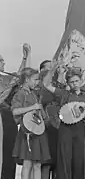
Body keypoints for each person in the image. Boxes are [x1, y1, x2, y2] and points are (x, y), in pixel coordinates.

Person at [43, 65, 85, 179]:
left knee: (79, 159)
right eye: (71, 82)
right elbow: (46, 85)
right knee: (64, 158)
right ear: (68, 83)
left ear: (81, 80)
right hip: (65, 129)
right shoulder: (63, 94)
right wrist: (52, 69)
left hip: (79, 130)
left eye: (76, 81)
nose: (75, 84)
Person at [11, 67, 51, 179]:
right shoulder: (20, 94)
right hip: (27, 133)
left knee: (37, 164)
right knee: (27, 164)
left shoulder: (34, 94)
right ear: (27, 79)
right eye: (35, 79)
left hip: (38, 132)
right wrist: (32, 107)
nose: (37, 82)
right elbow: (15, 111)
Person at [0, 43, 31, 179]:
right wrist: (10, 85)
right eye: (0, 60)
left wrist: (24, 59)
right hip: (0, 119)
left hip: (9, 119)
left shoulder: (7, 78)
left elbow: (19, 77)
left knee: (9, 152)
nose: (3, 62)